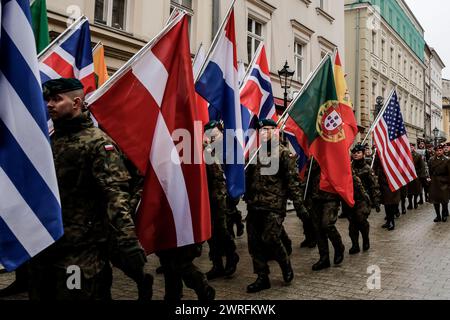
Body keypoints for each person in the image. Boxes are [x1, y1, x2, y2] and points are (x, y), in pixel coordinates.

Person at [27, 78, 150, 300]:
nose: (49, 105)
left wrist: (128, 240)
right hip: (47, 246)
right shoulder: (51, 139)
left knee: (75, 295)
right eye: (48, 100)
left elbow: (115, 194)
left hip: (81, 251)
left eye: (56, 99)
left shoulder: (98, 143)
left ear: (76, 103)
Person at [245, 119, 306, 293]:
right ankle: (262, 276)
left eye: (270, 129)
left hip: (273, 205)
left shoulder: (283, 153)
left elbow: (292, 182)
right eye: (263, 130)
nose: (266, 132)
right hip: (255, 205)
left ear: (277, 132)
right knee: (254, 243)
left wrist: (299, 206)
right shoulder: (255, 152)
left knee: (270, 238)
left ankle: (285, 263)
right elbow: (248, 178)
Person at [203, 120, 239, 280]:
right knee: (211, 232)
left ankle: (232, 256)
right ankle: (216, 264)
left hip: (224, 195)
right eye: (209, 135)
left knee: (223, 230)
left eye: (214, 135)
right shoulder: (206, 148)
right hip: (209, 195)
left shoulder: (228, 145)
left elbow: (232, 170)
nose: (212, 138)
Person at [305, 159, 345, 271]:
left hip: (330, 197)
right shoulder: (312, 159)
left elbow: (345, 174)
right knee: (318, 229)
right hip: (315, 198)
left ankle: (338, 247)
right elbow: (307, 178)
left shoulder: (332, 155)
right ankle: (324, 258)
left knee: (327, 224)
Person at [347, 144, 381, 254]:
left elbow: (374, 185)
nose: (356, 154)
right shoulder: (349, 167)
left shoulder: (367, 169)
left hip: (363, 199)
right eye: (354, 152)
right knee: (352, 224)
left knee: (361, 220)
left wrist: (376, 201)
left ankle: (365, 239)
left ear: (362, 154)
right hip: (350, 199)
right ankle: (355, 245)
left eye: (358, 152)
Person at [373, 157, 400, 231]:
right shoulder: (379, 153)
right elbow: (375, 166)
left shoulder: (393, 153)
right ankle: (388, 220)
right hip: (382, 182)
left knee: (390, 202)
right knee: (386, 203)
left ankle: (391, 221)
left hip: (392, 181)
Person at [428, 144, 450, 223]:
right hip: (434, 183)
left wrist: (447, 183)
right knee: (435, 201)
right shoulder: (431, 160)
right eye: (437, 150)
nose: (439, 152)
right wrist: (430, 180)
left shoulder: (447, 160)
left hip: (444, 183)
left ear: (443, 150)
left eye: (440, 150)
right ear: (435, 151)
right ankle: (438, 216)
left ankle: (444, 214)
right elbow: (430, 171)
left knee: (444, 201)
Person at [407, 143, 427, 210]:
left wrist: (421, 176)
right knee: (409, 192)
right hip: (408, 176)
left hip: (416, 175)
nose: (410, 148)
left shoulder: (418, 155)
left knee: (416, 191)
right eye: (409, 147)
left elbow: (422, 166)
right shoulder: (405, 155)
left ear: (414, 148)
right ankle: (410, 203)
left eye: (412, 147)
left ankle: (415, 202)